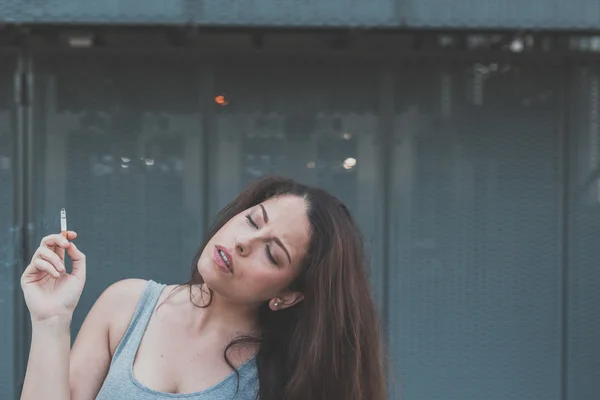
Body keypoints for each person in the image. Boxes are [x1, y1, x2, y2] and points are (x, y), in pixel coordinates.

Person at [20, 176, 388, 400]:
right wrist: (51, 319)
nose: (244, 241)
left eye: (272, 254)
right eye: (251, 220)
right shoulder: (126, 305)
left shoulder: (289, 375)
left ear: (288, 296)